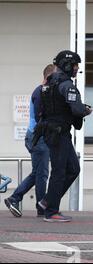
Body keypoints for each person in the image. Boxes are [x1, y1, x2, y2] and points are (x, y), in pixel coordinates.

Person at [34, 50, 93, 222]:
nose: (77, 69)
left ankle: (47, 201)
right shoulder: (66, 85)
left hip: (52, 132)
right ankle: (51, 211)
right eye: (75, 65)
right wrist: (85, 110)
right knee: (59, 172)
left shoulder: (49, 83)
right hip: (59, 134)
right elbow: (76, 109)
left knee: (73, 169)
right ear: (67, 66)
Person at [4, 64, 54, 218]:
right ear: (49, 77)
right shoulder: (41, 92)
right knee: (42, 174)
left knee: (37, 172)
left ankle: (15, 198)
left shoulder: (41, 91)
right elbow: (41, 117)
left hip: (35, 136)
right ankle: (38, 206)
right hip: (38, 137)